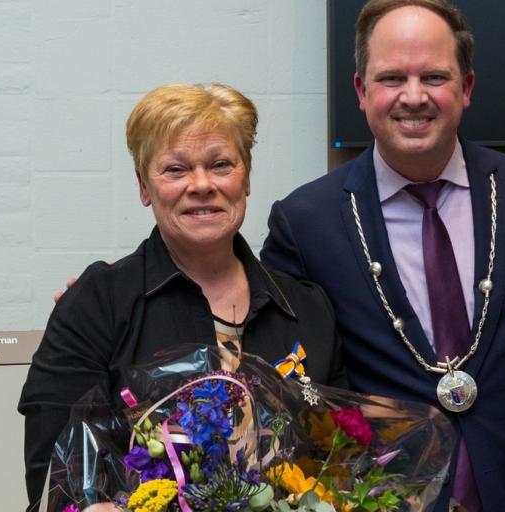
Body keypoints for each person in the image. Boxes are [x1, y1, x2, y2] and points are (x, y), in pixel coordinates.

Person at [260, 1, 505, 511]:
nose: (414, 96)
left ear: (466, 87)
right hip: (382, 498)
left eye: (435, 76)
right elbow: (277, 366)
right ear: (361, 91)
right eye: (392, 78)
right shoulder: (306, 222)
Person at [19, 83, 346, 510]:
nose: (202, 184)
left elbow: (343, 454)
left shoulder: (307, 308)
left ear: (246, 178)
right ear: (143, 186)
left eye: (221, 164)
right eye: (175, 170)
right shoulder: (97, 303)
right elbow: (53, 468)